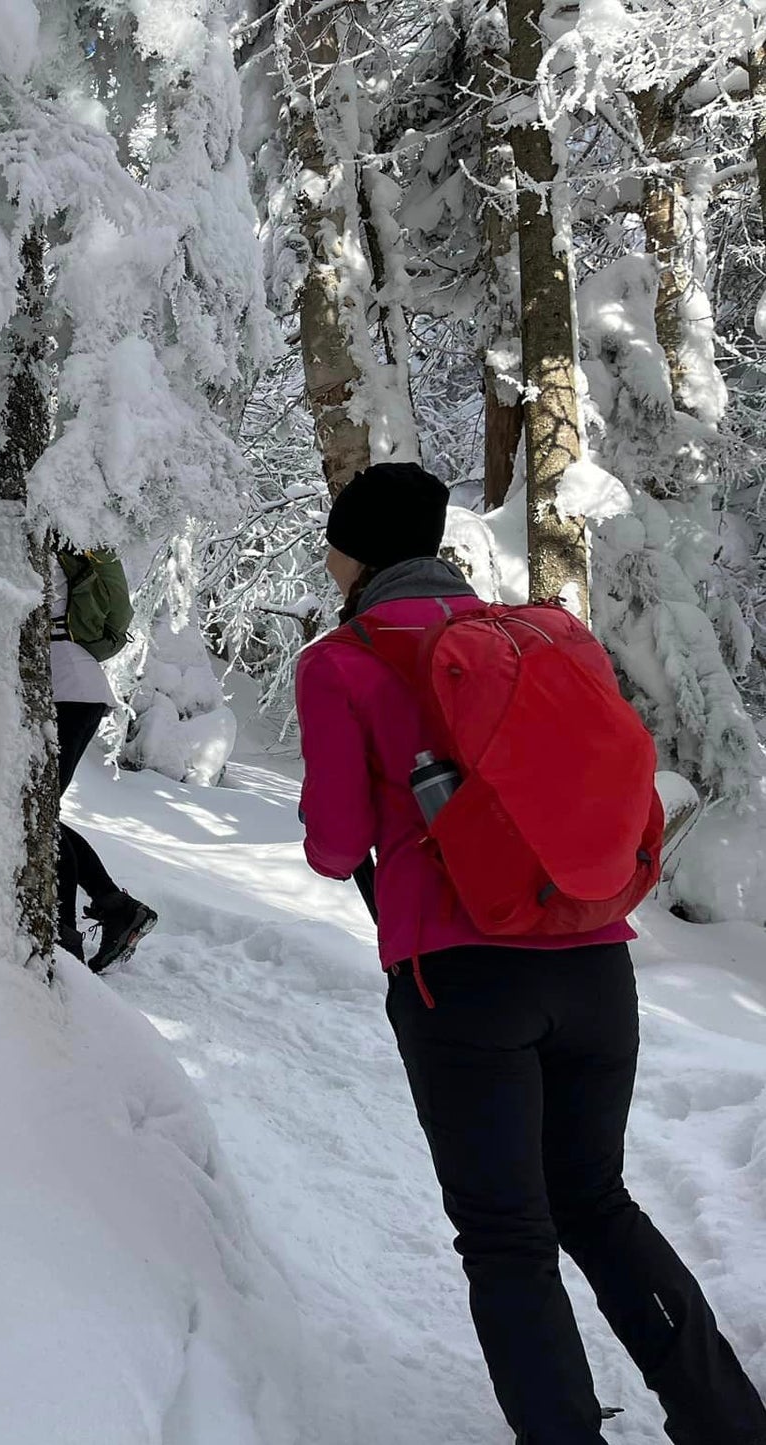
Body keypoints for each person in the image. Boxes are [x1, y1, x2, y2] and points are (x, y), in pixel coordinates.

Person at [295, 463, 766, 1445]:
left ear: (355, 549)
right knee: (593, 1199)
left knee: (505, 1233)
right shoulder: (532, 636)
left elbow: (335, 843)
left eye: (333, 536)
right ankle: (725, 1420)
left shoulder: (341, 661)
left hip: (459, 977)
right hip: (593, 962)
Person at [51, 548, 157, 971]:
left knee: (34, 819)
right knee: (36, 817)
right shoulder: (58, 547)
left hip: (65, 691)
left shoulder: (33, 548)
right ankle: (112, 907)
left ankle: (63, 940)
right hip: (73, 688)